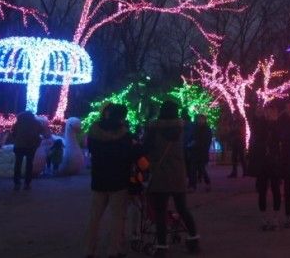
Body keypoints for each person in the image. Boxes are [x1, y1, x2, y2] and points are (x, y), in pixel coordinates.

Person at [145, 100, 200, 256]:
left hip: (160, 173)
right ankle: (194, 238)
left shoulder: (153, 128)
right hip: (177, 173)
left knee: (160, 212)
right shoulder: (182, 128)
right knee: (182, 208)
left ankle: (162, 246)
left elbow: (146, 147)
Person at [84, 103, 135, 258]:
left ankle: (89, 249)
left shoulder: (94, 132)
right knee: (117, 217)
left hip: (99, 179)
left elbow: (91, 150)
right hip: (118, 180)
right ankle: (114, 250)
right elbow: (128, 156)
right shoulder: (124, 134)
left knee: (94, 216)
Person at [247, 105, 282, 231]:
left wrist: (274, 124)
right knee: (262, 191)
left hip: (275, 162)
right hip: (262, 163)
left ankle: (275, 217)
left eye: (272, 111)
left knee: (275, 189)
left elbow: (280, 139)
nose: (270, 114)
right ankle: (264, 217)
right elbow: (256, 133)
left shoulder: (278, 125)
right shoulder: (260, 124)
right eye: (268, 111)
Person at [11, 110, 45, 190]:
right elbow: (42, 131)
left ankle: (17, 183)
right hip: (31, 146)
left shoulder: (18, 122)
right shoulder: (35, 122)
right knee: (29, 164)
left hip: (19, 145)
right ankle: (27, 183)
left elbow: (13, 132)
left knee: (18, 164)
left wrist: (17, 139)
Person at [186, 113, 212, 192]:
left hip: (202, 152)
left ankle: (207, 182)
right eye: (198, 119)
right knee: (193, 169)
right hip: (195, 151)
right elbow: (191, 137)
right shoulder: (195, 128)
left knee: (201, 169)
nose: (199, 121)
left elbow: (206, 141)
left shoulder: (206, 129)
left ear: (204, 120)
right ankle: (192, 185)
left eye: (201, 119)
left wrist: (195, 143)